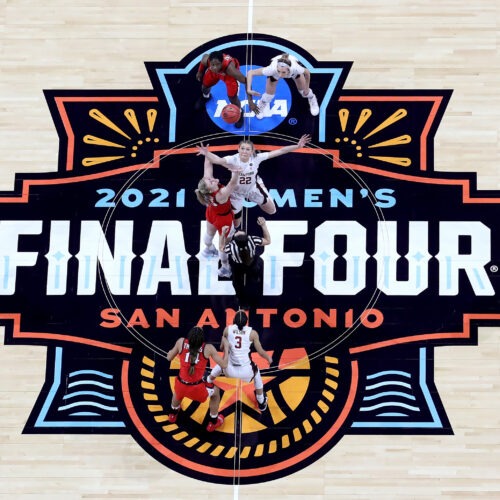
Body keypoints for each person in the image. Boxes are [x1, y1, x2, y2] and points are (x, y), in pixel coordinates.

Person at [196, 134, 311, 228]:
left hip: (252, 189)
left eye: (247, 149)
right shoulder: (233, 159)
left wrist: (297, 146)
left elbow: (280, 151)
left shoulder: (256, 158)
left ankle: (261, 187)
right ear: (238, 149)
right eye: (242, 148)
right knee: (236, 225)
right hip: (236, 193)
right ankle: (237, 210)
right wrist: (206, 153)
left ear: (252, 151)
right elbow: (218, 160)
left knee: (272, 211)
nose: (244, 151)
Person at [206, 310, 273, 412]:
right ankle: (261, 402)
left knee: (222, 362)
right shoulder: (253, 333)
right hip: (246, 371)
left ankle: (209, 381)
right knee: (256, 372)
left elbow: (221, 347)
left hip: (229, 370)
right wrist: (268, 358)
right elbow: (260, 351)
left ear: (234, 320)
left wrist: (228, 347)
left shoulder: (227, 330)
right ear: (246, 322)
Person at [166, 326, 229, 432]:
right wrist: (227, 349)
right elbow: (224, 365)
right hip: (197, 389)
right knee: (216, 393)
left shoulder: (181, 342)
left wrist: (170, 352)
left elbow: (168, 357)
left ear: (189, 337)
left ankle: (173, 414)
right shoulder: (208, 348)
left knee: (178, 389)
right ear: (202, 339)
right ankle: (213, 422)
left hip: (181, 384)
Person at [195, 150, 242, 278]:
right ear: (210, 188)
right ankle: (226, 267)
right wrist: (236, 173)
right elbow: (232, 184)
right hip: (224, 220)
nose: (211, 178)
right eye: (210, 181)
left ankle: (209, 249)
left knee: (209, 234)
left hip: (212, 214)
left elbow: (208, 166)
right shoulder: (221, 195)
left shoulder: (206, 188)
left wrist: (206, 153)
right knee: (224, 245)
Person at [245, 53, 319, 118]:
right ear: (277, 68)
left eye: (283, 72)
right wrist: (248, 89)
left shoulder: (296, 69)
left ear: (289, 69)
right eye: (279, 71)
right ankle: (263, 103)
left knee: (304, 92)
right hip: (274, 74)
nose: (280, 75)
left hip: (294, 73)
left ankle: (312, 98)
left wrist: (307, 88)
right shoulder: (271, 69)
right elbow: (251, 73)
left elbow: (307, 73)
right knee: (268, 96)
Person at [221, 216, 271, 310]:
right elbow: (268, 241)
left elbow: (221, 248)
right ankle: (255, 277)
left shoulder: (232, 247)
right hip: (251, 263)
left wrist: (222, 234)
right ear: (247, 237)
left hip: (237, 266)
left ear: (234, 241)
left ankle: (243, 303)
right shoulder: (252, 240)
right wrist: (263, 226)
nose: (238, 230)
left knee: (237, 285)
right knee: (254, 271)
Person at [195, 50, 253, 128]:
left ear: (222, 63)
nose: (215, 67)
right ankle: (206, 97)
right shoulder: (207, 60)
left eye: (217, 64)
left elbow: (247, 82)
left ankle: (239, 112)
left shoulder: (231, 70)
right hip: (213, 74)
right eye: (213, 65)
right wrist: (200, 71)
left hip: (229, 76)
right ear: (209, 62)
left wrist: (250, 101)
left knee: (232, 97)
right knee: (205, 86)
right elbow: (203, 58)